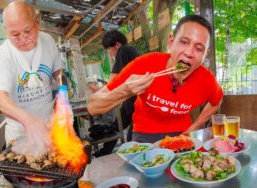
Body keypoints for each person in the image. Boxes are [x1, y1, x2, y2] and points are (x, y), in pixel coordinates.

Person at [87, 15, 223, 143]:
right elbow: (93, 107)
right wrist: (124, 91)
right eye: (184, 42)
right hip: (144, 134)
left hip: (182, 133)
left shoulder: (206, 79)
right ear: (171, 42)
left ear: (205, 55)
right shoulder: (144, 64)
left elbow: (216, 101)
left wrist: (195, 126)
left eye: (199, 49)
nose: (189, 53)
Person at [0, 1, 65, 155]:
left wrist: (62, 91)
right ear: (6, 30)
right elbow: (0, 97)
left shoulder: (48, 41)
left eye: (27, 31)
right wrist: (29, 121)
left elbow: (58, 71)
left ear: (37, 22)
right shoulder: (2, 56)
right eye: (15, 34)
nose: (23, 38)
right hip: (20, 135)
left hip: (51, 127)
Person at [101, 29, 140, 142]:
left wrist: (101, 92)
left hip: (137, 103)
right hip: (130, 101)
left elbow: (113, 80)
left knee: (132, 139)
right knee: (115, 127)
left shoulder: (123, 50)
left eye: (109, 48)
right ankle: (104, 152)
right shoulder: (130, 51)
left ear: (117, 45)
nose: (109, 52)